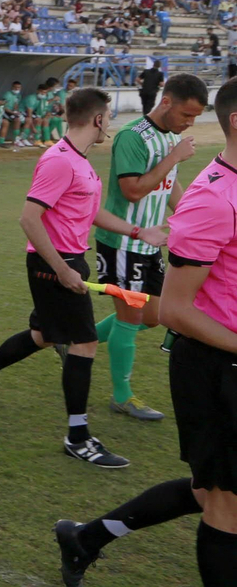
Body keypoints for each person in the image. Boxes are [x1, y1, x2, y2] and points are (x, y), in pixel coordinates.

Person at [54, 77, 237, 587]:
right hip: (215, 367)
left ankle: (88, 537)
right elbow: (180, 310)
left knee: (212, 490)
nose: (186, 123)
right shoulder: (213, 193)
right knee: (224, 504)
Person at [0, 87, 169, 468]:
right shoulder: (60, 161)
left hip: (67, 261)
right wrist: (61, 269)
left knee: (45, 335)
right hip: (53, 264)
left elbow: (88, 214)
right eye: (108, 117)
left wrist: (139, 232)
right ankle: (78, 436)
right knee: (84, 343)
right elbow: (28, 218)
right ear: (98, 119)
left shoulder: (80, 161)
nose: (110, 125)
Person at [91, 73, 208, 420]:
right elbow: (134, 190)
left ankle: (76, 338)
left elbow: (167, 185)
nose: (189, 123)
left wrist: (193, 220)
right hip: (124, 242)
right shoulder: (132, 137)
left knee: (154, 317)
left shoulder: (165, 137)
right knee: (130, 317)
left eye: (196, 118)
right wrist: (173, 159)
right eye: (186, 115)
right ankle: (123, 396)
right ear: (166, 102)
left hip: (149, 242)